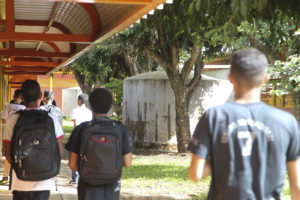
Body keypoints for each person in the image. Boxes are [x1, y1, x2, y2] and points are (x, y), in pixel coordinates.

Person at [188, 49, 300, 200]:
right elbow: (297, 186)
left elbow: (195, 174)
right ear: (265, 79)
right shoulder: (286, 121)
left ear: (231, 78)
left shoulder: (214, 116)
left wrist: (219, 158)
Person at [66, 88, 133, 200]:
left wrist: (88, 171)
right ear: (111, 107)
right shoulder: (120, 129)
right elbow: (127, 162)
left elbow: (72, 164)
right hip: (111, 188)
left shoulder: (80, 129)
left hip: (86, 187)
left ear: (90, 105)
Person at [3, 80, 64, 200]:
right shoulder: (51, 118)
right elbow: (60, 152)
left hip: (20, 181)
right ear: (41, 96)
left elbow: (8, 154)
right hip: (44, 181)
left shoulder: (13, 119)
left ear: (22, 97)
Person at [0, 89, 25, 185]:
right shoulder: (24, 107)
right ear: (22, 98)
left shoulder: (8, 107)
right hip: (20, 135)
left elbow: (3, 121)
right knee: (20, 155)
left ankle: (6, 176)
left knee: (8, 155)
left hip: (9, 135)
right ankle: (19, 176)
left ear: (14, 96)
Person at [69, 93, 92, 185]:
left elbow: (75, 125)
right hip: (87, 135)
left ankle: (75, 178)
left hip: (78, 134)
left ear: (79, 101)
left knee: (76, 154)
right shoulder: (89, 112)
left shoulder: (75, 110)